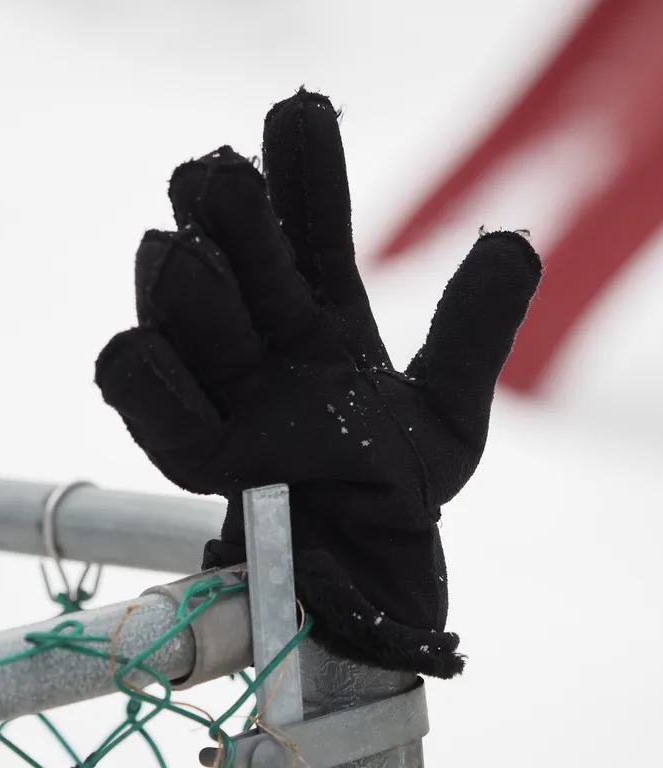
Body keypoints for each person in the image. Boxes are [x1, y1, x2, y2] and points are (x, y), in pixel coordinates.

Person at [95, 88, 542, 678]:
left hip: (353, 639)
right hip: (364, 634)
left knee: (314, 265)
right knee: (316, 263)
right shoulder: (417, 441)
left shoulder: (405, 440)